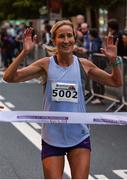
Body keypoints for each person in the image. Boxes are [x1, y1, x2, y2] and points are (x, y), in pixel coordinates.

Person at [3, 20, 122, 179]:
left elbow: (116, 82)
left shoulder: (84, 65)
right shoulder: (46, 65)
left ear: (74, 38)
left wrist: (115, 61)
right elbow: (9, 77)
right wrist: (24, 52)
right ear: (54, 40)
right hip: (52, 137)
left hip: (79, 136)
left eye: (69, 36)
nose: (66, 41)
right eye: (61, 37)